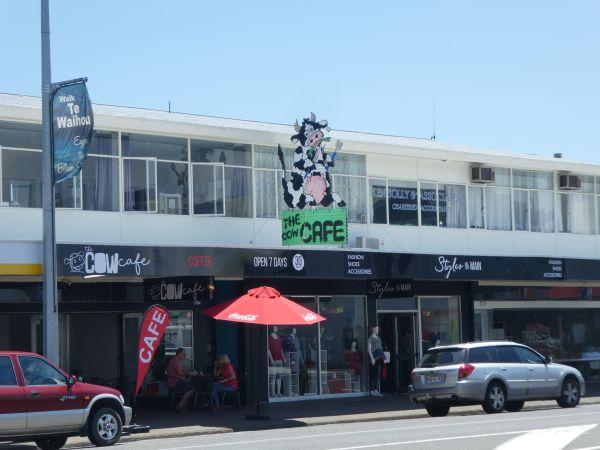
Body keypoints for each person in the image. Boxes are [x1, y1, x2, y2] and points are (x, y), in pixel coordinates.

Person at [166, 348, 196, 412]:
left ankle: (185, 407)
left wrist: (185, 378)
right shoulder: (177, 361)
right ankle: (180, 405)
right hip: (174, 383)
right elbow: (180, 373)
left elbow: (177, 374)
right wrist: (189, 373)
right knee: (191, 389)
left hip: (172, 382)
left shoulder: (174, 360)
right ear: (179, 354)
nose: (185, 356)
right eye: (184, 354)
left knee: (187, 387)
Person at [367, 325, 384, 396]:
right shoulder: (370, 338)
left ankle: (376, 390)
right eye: (376, 329)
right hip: (373, 357)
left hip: (379, 357)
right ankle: (371, 390)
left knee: (377, 374)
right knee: (372, 374)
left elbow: (380, 347)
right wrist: (372, 358)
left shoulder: (378, 338)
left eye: (378, 329)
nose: (378, 330)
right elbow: (369, 349)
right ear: (373, 329)